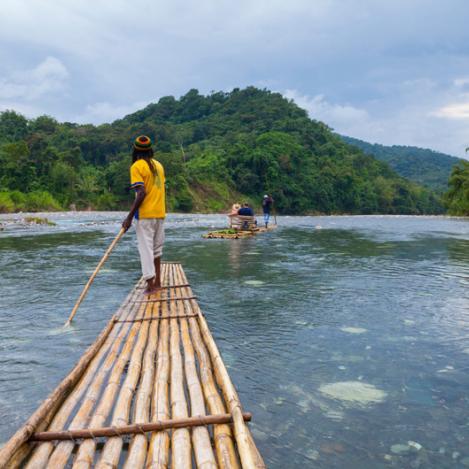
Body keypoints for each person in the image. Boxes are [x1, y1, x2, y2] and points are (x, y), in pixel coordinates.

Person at [122, 135, 165, 296]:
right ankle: (158, 283)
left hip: (145, 215)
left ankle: (150, 286)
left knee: (145, 251)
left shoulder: (136, 166)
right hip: (160, 214)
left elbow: (141, 193)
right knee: (156, 250)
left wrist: (129, 217)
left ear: (135, 150)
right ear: (150, 149)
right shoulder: (159, 165)